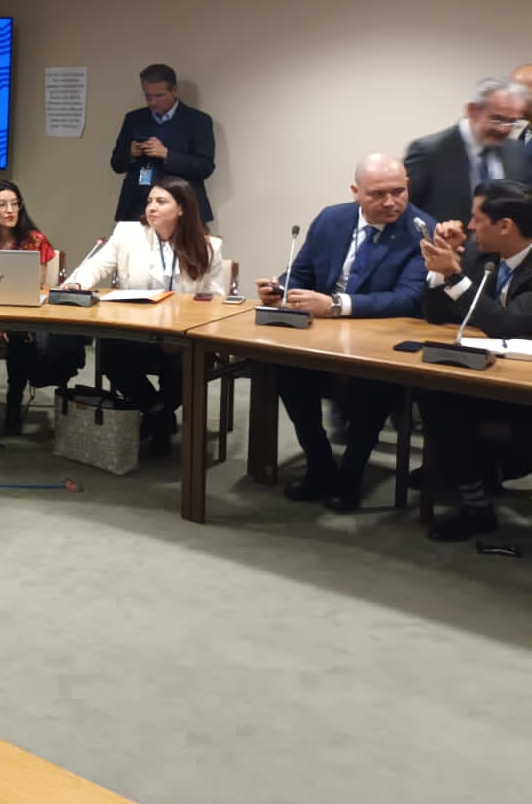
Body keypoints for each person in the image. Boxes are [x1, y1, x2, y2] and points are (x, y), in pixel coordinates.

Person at [253, 155, 435, 511]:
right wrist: (281, 288)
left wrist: (335, 305)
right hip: (320, 335)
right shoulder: (331, 219)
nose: (391, 202)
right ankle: (319, 463)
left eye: (399, 191)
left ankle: (351, 475)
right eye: (378, 194)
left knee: (373, 386)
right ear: (356, 192)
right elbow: (300, 273)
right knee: (284, 369)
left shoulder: (421, 229)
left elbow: (407, 298)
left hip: (379, 340)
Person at [64, 175, 225, 454]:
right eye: (150, 201)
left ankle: (157, 417)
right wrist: (77, 283)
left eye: (161, 202)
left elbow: (215, 298)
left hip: (183, 337)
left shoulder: (208, 246)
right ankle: (157, 412)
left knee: (186, 366)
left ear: (182, 208)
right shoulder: (128, 233)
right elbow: (97, 266)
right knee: (110, 352)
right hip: (137, 333)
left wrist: (185, 329)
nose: (152, 207)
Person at [412, 180, 532, 541]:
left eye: (477, 219)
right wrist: (441, 263)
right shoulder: (487, 257)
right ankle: (473, 495)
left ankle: (475, 489)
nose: (468, 225)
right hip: (492, 377)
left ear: (505, 225)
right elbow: (436, 314)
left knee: (449, 403)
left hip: (524, 392)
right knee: (434, 390)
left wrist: (454, 273)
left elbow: (509, 325)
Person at [0, 180, 84, 433]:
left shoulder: (35, 240)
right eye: (2, 204)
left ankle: (14, 404)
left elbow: (35, 289)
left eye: (15, 204)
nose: (10, 210)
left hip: (22, 314)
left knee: (20, 334)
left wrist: (6, 323)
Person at [403, 76, 529, 225]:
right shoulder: (429, 152)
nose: (504, 129)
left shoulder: (518, 152)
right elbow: (406, 210)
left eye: (512, 122)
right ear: (472, 110)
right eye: (497, 119)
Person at [108, 63, 216, 225]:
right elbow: (116, 164)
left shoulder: (198, 121)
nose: (152, 102)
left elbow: (205, 167)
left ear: (174, 90)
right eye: (148, 96)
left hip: (181, 209)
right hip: (136, 208)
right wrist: (130, 154)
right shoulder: (134, 119)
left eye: (159, 96)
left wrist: (167, 155)